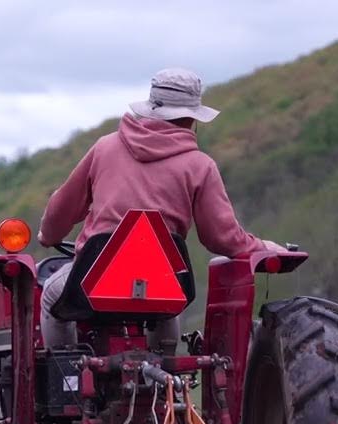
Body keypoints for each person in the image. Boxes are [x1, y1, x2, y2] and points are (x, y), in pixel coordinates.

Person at [37, 67, 286, 350]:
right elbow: (222, 238)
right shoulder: (199, 165)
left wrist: (49, 235)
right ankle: (164, 378)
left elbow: (62, 209)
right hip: (160, 282)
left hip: (93, 278)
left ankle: (67, 378)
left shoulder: (105, 148)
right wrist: (261, 246)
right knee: (165, 297)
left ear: (150, 108)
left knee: (49, 296)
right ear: (192, 117)